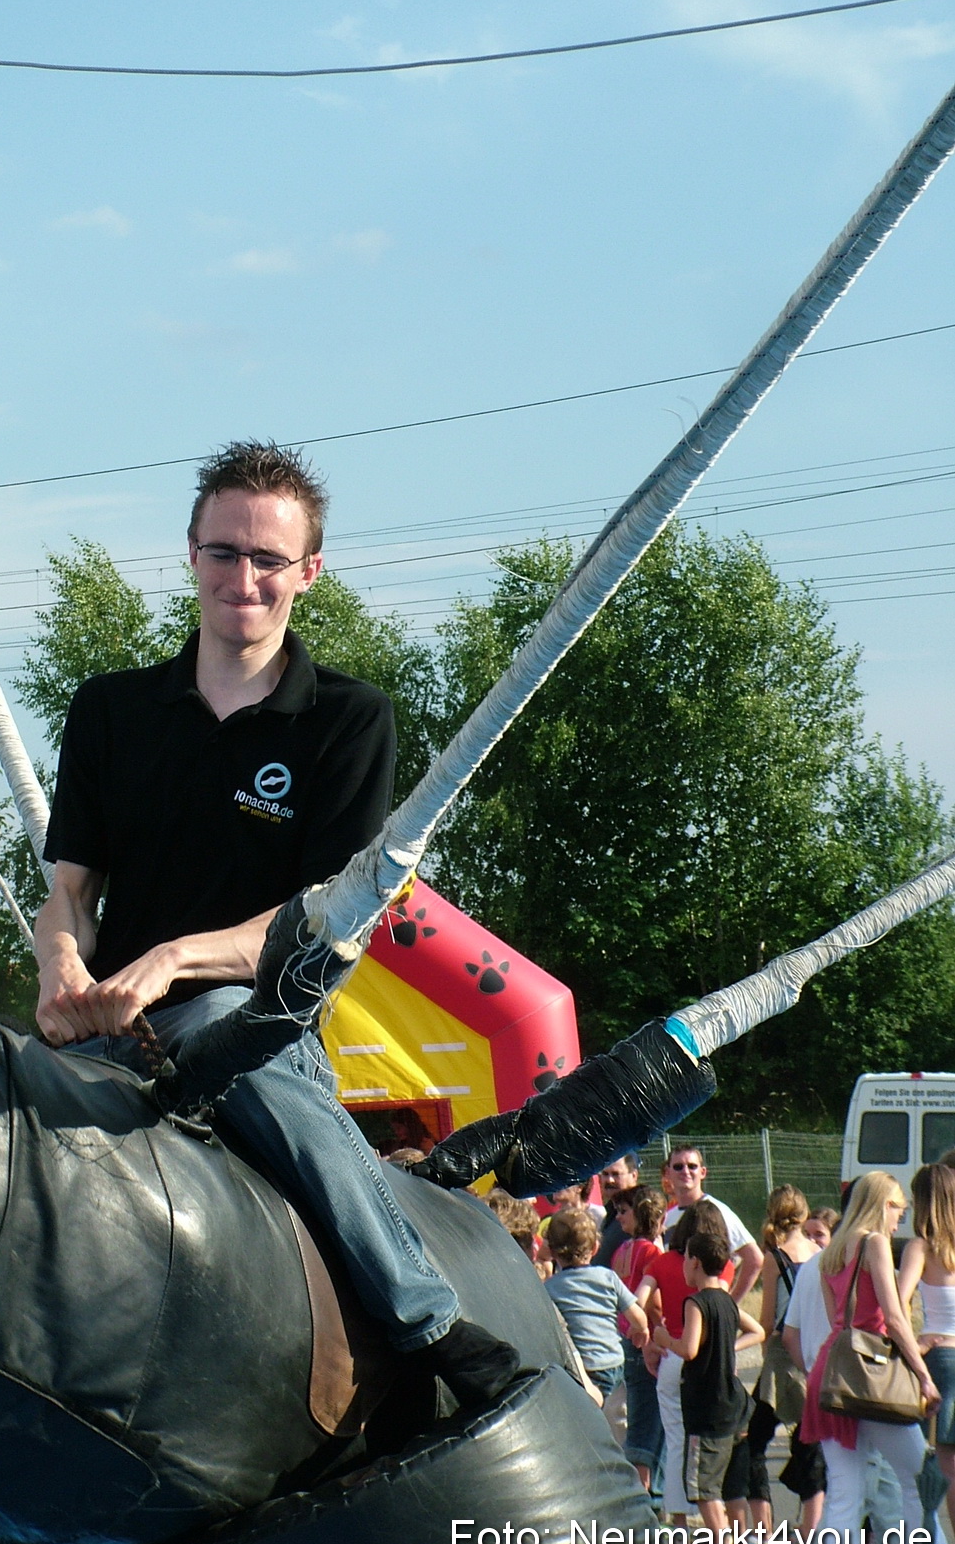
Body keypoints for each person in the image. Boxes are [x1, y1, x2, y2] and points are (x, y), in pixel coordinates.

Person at [33, 440, 518, 1403]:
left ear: (308, 572)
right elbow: (69, 895)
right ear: (189, 554)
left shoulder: (346, 720)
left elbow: (317, 917)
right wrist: (59, 969)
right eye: (224, 552)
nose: (242, 578)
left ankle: (425, 1320)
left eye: (266, 559)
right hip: (110, 1026)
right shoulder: (110, 710)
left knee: (220, 1028)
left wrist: (172, 959)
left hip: (253, 1021)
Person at [799, 1171, 950, 1544]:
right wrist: (922, 1374)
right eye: (897, 1209)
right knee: (920, 1478)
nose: (899, 1219)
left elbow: (842, 1321)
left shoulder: (829, 1253)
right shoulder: (874, 1243)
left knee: (845, 1495)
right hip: (872, 1377)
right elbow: (893, 1317)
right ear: (883, 1204)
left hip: (832, 1375)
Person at [652, 1231, 762, 1544]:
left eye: (685, 1259)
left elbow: (689, 1349)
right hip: (735, 1403)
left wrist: (663, 1339)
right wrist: (730, 1349)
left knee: (703, 1487)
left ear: (695, 1262)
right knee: (733, 1486)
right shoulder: (727, 1300)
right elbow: (757, 1330)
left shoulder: (695, 1303)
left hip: (708, 1409)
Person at [637, 1198, 735, 1525]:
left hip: (672, 1355)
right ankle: (717, 1517)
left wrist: (651, 1335)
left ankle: (678, 1518)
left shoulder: (664, 1263)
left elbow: (640, 1301)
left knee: (677, 1439)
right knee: (710, 1444)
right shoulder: (722, 1269)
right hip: (712, 1362)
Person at [746, 1186, 821, 1537]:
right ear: (804, 1215)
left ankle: (763, 1527)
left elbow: (765, 1320)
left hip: (780, 1351)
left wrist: (764, 1356)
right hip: (810, 1350)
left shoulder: (775, 1257)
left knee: (751, 1441)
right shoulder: (820, 1252)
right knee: (809, 1441)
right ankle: (810, 1526)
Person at [898, 1163, 955, 1538]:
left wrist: (914, 1344)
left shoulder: (920, 1247)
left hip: (942, 1357)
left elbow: (897, 1303)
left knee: (944, 1464)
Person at [544, 1207, 649, 1401]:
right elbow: (637, 1315)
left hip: (585, 1368)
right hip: (614, 1361)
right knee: (617, 1415)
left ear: (551, 1251)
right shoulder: (607, 1277)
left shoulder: (550, 1288)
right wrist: (641, 1329)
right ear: (595, 1248)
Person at [611, 1184, 666, 1495]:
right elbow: (653, 1301)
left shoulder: (622, 1250)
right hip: (644, 1338)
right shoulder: (651, 1252)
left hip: (623, 1336)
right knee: (649, 1419)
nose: (618, 1218)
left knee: (637, 1411)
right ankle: (645, 1491)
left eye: (623, 1211)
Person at [663, 1144, 763, 1302]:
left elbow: (754, 1258)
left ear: (703, 1172)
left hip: (707, 1312)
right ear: (668, 1173)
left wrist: (730, 1304)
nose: (685, 1171)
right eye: (678, 1166)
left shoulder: (717, 1211)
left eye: (692, 1166)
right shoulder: (667, 1217)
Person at [595, 1152, 641, 1268]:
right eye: (605, 1174)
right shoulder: (611, 1211)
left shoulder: (640, 1211)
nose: (609, 1180)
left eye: (616, 1174)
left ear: (634, 1176)